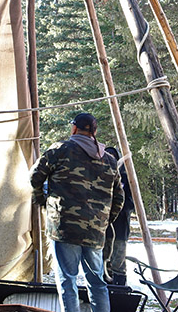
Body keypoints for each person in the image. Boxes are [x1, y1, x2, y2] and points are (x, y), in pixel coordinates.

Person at [30, 113, 123, 312]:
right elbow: (119, 199)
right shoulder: (109, 160)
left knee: (67, 281)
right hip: (95, 232)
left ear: (73, 129)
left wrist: (43, 202)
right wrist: (103, 222)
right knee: (97, 283)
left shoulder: (59, 150)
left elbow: (34, 178)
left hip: (64, 229)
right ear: (95, 132)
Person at [101, 145, 133, 286]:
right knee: (104, 255)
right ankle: (105, 282)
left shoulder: (126, 177)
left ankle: (120, 283)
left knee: (118, 257)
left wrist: (118, 208)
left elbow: (131, 202)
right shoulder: (100, 175)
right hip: (103, 225)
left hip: (120, 225)